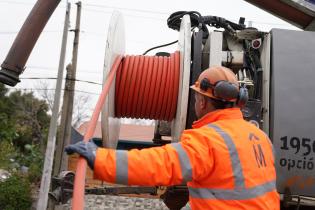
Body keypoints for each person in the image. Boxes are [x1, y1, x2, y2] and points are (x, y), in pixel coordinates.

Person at [66, 66, 280, 210]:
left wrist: (100, 157)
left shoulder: (209, 140)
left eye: (196, 98)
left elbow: (158, 164)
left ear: (202, 102)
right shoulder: (260, 137)